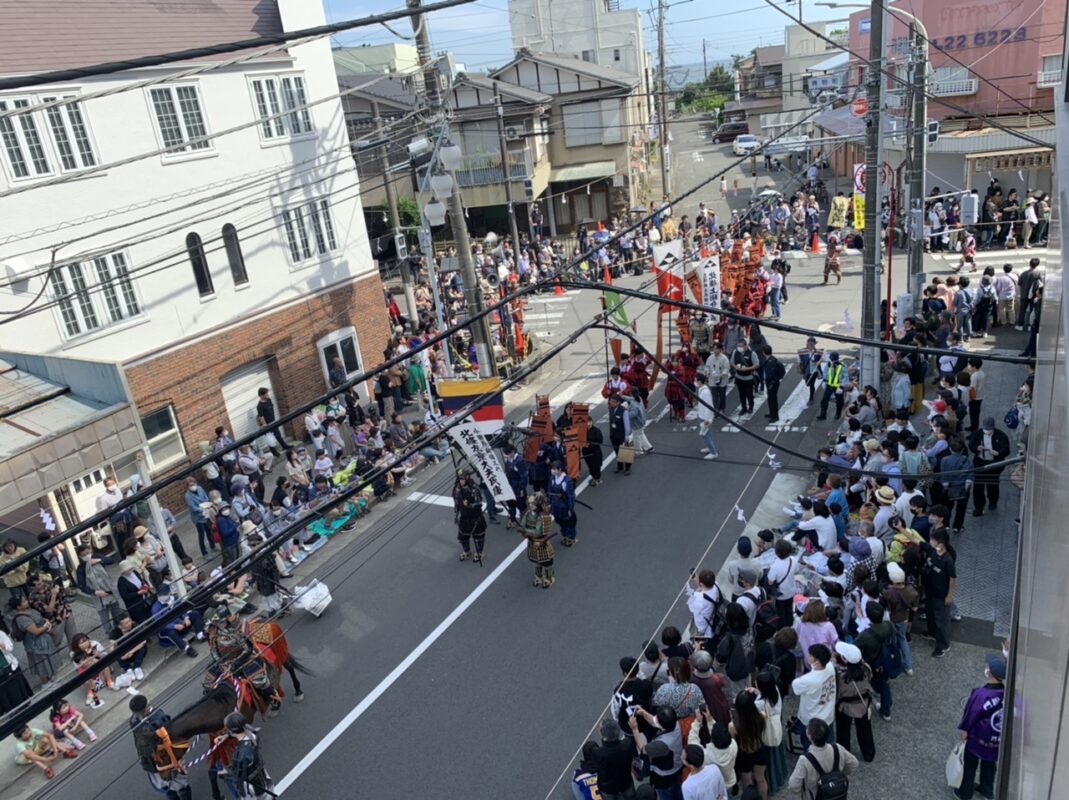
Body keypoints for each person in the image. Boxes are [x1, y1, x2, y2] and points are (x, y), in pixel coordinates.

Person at [955, 654, 1006, 800]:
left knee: (970, 764)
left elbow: (972, 714)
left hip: (978, 736)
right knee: (990, 762)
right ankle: (986, 789)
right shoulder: (1005, 693)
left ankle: (965, 793)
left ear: (989, 673)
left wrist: (965, 730)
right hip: (996, 736)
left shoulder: (981, 694)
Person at [129, 694, 191, 800]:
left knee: (180, 785)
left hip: (167, 758)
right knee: (167, 788)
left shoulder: (159, 717)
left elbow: (171, 737)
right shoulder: (134, 721)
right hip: (151, 762)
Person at [787, 718, 858, 799]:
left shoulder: (804, 760)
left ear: (809, 736)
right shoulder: (837, 748)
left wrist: (804, 790)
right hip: (837, 795)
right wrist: (841, 774)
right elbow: (854, 763)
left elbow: (793, 785)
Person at [832, 641, 875, 763]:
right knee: (865, 730)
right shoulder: (866, 669)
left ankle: (844, 756)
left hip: (844, 706)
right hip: (863, 704)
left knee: (843, 732)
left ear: (844, 659)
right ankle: (868, 754)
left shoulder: (840, 675)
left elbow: (837, 692)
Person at [218, 712, 273, 799]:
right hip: (263, 776)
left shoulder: (242, 753)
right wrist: (227, 736)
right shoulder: (252, 735)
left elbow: (239, 777)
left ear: (232, 731)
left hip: (254, 788)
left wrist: (225, 773)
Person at [791, 644, 837, 744]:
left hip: (811, 721)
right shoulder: (830, 667)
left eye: (810, 655)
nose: (808, 656)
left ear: (817, 661)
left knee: (811, 750)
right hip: (828, 716)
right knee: (828, 745)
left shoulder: (807, 680)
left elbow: (795, 687)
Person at [922, 528, 957, 658]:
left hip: (940, 594)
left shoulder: (948, 560)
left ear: (940, 544)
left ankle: (943, 644)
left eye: (932, 540)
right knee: (930, 613)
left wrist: (950, 595)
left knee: (941, 619)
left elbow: (953, 579)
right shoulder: (933, 551)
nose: (930, 541)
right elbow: (917, 541)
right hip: (930, 590)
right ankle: (932, 633)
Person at [8, 594, 56, 686]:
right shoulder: (22, 619)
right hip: (36, 644)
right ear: (18, 606)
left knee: (48, 661)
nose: (27, 602)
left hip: (43, 640)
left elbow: (39, 619)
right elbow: (36, 631)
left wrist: (45, 621)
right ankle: (46, 684)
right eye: (24, 601)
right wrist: (47, 626)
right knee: (42, 664)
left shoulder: (29, 610)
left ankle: (51, 679)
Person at [968, 417, 1010, 517]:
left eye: (989, 431)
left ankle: (993, 501)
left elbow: (1006, 450)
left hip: (994, 464)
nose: (987, 433)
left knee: (993, 484)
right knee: (978, 486)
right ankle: (978, 507)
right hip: (980, 463)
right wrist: (976, 448)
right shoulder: (978, 433)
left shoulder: (1001, 435)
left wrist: (998, 453)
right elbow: (971, 445)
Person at [593, 717, 635, 799]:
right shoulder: (627, 744)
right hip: (625, 783)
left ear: (602, 733)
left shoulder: (598, 753)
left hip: (608, 789)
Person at [521, 492, 556, 588]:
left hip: (541, 543)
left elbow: (537, 532)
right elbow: (523, 524)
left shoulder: (542, 517)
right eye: (530, 504)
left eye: (533, 504)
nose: (530, 506)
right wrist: (524, 530)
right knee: (536, 561)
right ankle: (538, 576)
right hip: (532, 542)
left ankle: (549, 578)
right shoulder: (528, 514)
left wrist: (526, 531)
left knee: (546, 562)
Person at [0, 618, 34, 715]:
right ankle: (10, 712)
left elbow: (10, 647)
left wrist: (3, 646)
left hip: (8, 666)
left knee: (16, 689)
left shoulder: (0, 634)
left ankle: (24, 707)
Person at [453, 471, 488, 564]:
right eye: (459, 479)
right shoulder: (456, 489)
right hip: (464, 517)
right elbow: (456, 503)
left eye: (463, 479)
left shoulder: (474, 488)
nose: (461, 481)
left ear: (467, 477)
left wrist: (469, 504)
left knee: (479, 537)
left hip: (475, 516)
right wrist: (456, 515)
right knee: (462, 537)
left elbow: (479, 503)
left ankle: (479, 552)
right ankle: (467, 551)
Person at [549, 460, 578, 546]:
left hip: (564, 506)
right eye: (552, 469)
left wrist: (570, 508)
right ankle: (565, 534)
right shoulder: (552, 478)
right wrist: (550, 503)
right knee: (559, 521)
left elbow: (571, 496)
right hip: (555, 505)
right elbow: (550, 491)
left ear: (560, 469)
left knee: (568, 522)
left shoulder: (567, 481)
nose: (552, 470)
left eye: (554, 469)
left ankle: (571, 537)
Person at [501, 444, 529, 526]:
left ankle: (524, 520)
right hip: (509, 483)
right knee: (510, 503)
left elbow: (524, 477)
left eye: (508, 454)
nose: (507, 456)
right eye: (506, 454)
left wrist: (522, 489)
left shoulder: (520, 460)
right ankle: (512, 519)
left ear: (513, 451)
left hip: (517, 484)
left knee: (521, 504)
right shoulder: (507, 458)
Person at [731, 340, 760, 417]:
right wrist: (736, 367)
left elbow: (756, 364)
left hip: (748, 378)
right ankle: (743, 408)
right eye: (738, 346)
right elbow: (732, 362)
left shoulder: (752, 353)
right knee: (741, 394)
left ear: (746, 346)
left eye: (741, 346)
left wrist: (747, 369)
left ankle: (751, 407)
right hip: (739, 377)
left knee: (749, 394)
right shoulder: (735, 352)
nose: (739, 348)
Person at [607, 394, 633, 475]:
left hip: (622, 435)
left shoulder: (624, 411)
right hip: (614, 435)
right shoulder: (611, 409)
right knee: (617, 451)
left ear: (618, 402)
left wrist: (626, 436)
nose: (611, 403)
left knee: (625, 451)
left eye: (614, 402)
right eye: (611, 401)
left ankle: (627, 468)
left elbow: (627, 425)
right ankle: (620, 466)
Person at [695, 374, 719, 460]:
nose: (695, 382)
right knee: (707, 433)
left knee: (705, 435)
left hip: (705, 418)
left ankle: (713, 452)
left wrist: (706, 419)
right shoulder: (702, 390)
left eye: (696, 380)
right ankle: (710, 448)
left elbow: (709, 406)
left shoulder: (705, 392)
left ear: (700, 381)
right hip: (702, 415)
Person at [817, 352, 846, 421]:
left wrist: (841, 386)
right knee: (824, 400)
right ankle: (823, 415)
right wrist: (824, 380)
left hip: (838, 386)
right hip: (829, 385)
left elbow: (845, 377)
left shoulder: (842, 366)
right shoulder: (829, 364)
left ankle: (838, 414)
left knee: (839, 401)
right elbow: (825, 372)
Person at [705, 342, 731, 412]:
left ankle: (722, 408)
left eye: (716, 349)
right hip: (712, 380)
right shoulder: (710, 358)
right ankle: (716, 410)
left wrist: (722, 375)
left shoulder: (724, 358)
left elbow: (727, 368)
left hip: (722, 380)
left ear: (720, 350)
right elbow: (707, 367)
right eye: (714, 349)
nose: (715, 350)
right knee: (714, 396)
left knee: (722, 396)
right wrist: (707, 372)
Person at [762, 346, 786, 423]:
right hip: (772, 382)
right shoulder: (772, 359)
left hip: (772, 383)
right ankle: (772, 413)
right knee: (770, 398)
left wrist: (772, 380)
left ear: (764, 353)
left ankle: (775, 416)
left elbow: (770, 374)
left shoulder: (770, 362)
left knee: (773, 399)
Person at [582, 418, 606, 487]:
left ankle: (597, 478)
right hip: (586, 451)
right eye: (586, 422)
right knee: (590, 465)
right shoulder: (583, 430)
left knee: (596, 466)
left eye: (589, 422)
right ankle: (593, 477)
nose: (588, 424)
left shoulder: (596, 430)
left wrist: (590, 444)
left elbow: (600, 441)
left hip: (595, 451)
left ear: (592, 422)